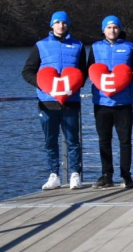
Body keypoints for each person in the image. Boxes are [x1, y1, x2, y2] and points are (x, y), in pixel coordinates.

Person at [21, 11, 88, 191]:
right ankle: (54, 175)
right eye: (57, 22)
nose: (61, 26)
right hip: (47, 102)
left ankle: (75, 174)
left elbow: (84, 72)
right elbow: (27, 71)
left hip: (70, 101)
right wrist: (42, 84)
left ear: (68, 25)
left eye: (64, 23)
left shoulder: (78, 45)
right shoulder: (40, 45)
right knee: (50, 141)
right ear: (52, 25)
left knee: (73, 140)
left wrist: (75, 84)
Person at [86, 15, 133, 189]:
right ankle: (106, 175)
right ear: (103, 30)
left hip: (123, 103)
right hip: (101, 103)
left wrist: (126, 76)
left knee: (125, 141)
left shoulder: (130, 47)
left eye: (115, 27)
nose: (112, 30)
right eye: (109, 27)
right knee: (104, 140)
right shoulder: (95, 48)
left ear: (120, 29)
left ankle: (126, 175)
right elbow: (90, 71)